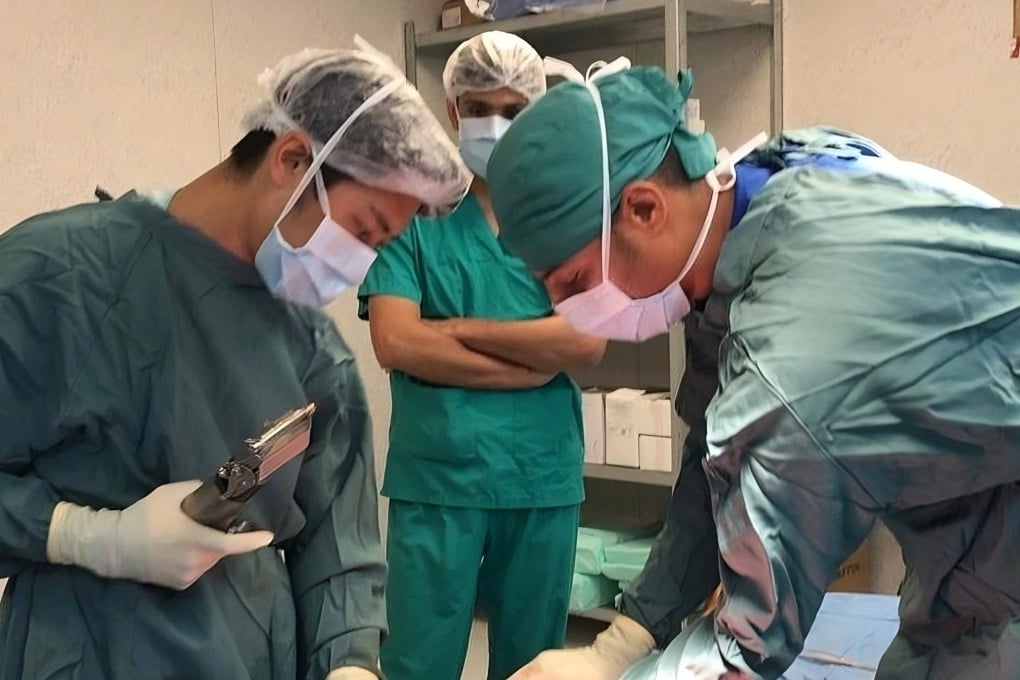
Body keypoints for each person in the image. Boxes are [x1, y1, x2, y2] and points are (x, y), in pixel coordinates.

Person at [485, 57, 1020, 680]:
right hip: (978, 525)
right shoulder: (773, 183)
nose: (566, 311)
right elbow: (714, 468)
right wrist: (621, 643)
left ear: (645, 209)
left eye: (573, 281)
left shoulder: (795, 353)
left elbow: (746, 647)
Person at [0, 43, 470, 680]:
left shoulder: (313, 352)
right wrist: (89, 537)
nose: (361, 264)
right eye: (363, 231)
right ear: (293, 158)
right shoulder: (56, 278)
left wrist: (349, 665)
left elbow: (338, 546)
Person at [357, 31, 606, 680]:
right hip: (440, 480)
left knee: (536, 665)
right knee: (419, 663)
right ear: (451, 113)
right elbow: (395, 341)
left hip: (538, 477)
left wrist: (454, 331)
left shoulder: (570, 216)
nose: (495, 125)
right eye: (478, 108)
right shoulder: (409, 213)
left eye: (514, 110)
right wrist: (533, 358)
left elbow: (585, 343)